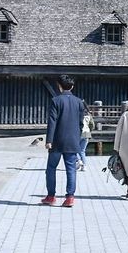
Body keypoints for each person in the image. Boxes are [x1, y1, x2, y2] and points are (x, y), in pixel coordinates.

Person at [44, 74, 85, 207]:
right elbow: (80, 123)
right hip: (72, 141)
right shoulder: (79, 102)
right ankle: (70, 197)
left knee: (51, 168)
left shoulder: (56, 101)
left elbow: (52, 122)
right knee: (71, 169)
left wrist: (49, 140)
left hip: (57, 141)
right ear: (72, 86)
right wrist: (77, 138)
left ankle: (51, 196)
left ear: (59, 86)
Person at [78, 102, 95, 171]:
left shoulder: (77, 113)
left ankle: (79, 161)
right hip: (87, 133)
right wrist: (89, 130)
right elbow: (92, 125)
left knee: (75, 149)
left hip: (79, 133)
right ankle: (84, 166)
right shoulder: (89, 114)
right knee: (82, 151)